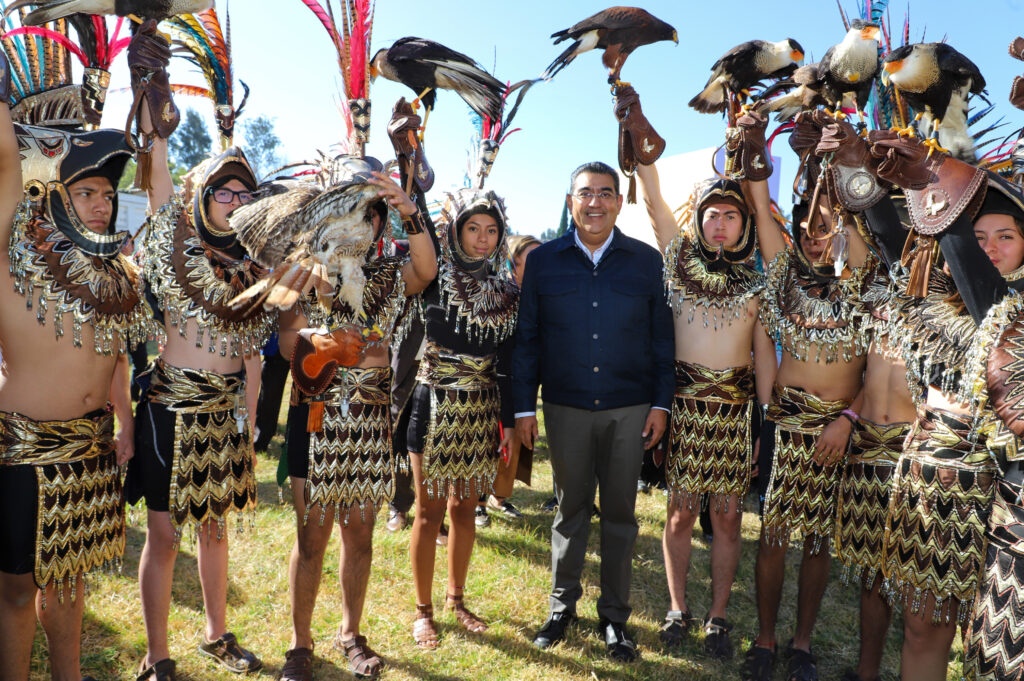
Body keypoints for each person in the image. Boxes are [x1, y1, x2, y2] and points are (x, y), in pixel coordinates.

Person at [125, 25, 275, 680]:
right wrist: (152, 111)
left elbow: (255, 360)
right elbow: (157, 185)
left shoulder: (257, 267)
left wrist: (248, 426)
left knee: (214, 529)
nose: (235, 202)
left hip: (223, 417)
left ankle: (217, 633)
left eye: (245, 194)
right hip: (168, 411)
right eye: (224, 191)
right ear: (205, 196)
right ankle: (159, 655)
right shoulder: (172, 245)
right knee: (164, 536)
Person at [0, 52, 147, 681]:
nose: (101, 205)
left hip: (89, 454)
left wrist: (126, 424)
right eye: (86, 191)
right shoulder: (11, 259)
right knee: (14, 592)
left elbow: (115, 361)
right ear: (50, 195)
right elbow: (7, 162)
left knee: (68, 584)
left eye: (109, 194)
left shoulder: (116, 277)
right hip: (24, 451)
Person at [618, 86, 777, 659]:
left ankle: (716, 616)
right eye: (712, 214)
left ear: (742, 225)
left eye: (730, 215)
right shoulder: (678, 260)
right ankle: (677, 607)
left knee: (729, 517)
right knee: (681, 511)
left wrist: (764, 422)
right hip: (684, 408)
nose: (719, 223)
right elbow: (656, 204)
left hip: (736, 412)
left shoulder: (759, 279)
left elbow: (763, 353)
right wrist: (640, 133)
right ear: (701, 219)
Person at [275, 155, 436, 681]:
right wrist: (318, 345)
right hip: (316, 418)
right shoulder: (304, 271)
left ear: (379, 222)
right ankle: (300, 644)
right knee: (312, 534)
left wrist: (411, 212)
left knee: (360, 533)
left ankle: (351, 633)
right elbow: (283, 343)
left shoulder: (390, 274)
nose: (361, 224)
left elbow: (428, 270)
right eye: (352, 211)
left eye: (372, 214)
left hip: (369, 420)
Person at [514, 161, 674, 662]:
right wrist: (523, 407)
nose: (596, 202)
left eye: (606, 193)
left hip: (629, 410)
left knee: (622, 517)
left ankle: (615, 619)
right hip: (566, 408)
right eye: (586, 193)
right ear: (571, 203)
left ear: (618, 203)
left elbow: (662, 340)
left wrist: (660, 404)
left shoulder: (647, 262)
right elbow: (528, 340)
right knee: (570, 510)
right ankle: (562, 608)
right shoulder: (544, 263)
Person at [739, 109, 873, 681]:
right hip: (788, 424)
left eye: (830, 225)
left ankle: (802, 644)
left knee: (819, 540)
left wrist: (846, 418)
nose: (820, 235)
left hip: (837, 429)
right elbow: (757, 193)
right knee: (773, 533)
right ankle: (765, 641)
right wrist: (750, 139)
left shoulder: (864, 277)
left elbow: (881, 371)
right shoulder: (783, 270)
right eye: (811, 225)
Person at [406, 187, 517, 648]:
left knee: (465, 511)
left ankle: (456, 598)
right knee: (428, 514)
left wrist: (508, 421)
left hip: (481, 410)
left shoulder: (509, 293)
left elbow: (508, 363)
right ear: (455, 231)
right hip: (433, 407)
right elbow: (422, 237)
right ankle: (423, 610)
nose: (483, 238)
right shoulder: (433, 276)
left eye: (492, 230)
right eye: (473, 228)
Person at [475, 233, 541, 527]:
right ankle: (477, 502)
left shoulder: (541, 297)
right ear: (513, 264)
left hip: (525, 381)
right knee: (493, 438)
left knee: (515, 444)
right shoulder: (500, 295)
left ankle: (498, 497)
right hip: (496, 377)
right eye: (532, 261)